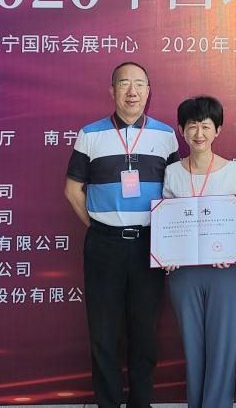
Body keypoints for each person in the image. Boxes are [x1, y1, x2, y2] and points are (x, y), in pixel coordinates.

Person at [63, 61, 179, 408]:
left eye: (139, 84)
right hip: (104, 246)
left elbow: (176, 190)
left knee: (144, 333)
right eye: (124, 83)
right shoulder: (90, 135)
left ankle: (141, 403)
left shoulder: (166, 135)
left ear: (148, 91)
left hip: (149, 245)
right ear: (112, 90)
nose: (132, 91)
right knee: (104, 333)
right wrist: (100, 227)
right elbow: (72, 190)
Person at [160, 96, 236, 408]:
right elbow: (167, 221)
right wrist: (166, 255)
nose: (199, 133)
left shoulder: (233, 172)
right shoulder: (172, 172)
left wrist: (232, 250)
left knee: (222, 345)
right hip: (183, 272)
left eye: (206, 126)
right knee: (192, 345)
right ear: (181, 129)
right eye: (192, 126)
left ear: (218, 130)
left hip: (223, 271)